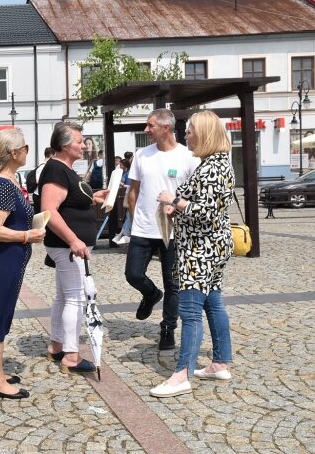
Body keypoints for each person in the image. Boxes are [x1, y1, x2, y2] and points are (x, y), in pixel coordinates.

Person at [150, 111, 235, 398]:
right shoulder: (215, 163)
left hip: (201, 248)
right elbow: (204, 205)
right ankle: (220, 362)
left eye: (190, 131)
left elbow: (206, 212)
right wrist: (179, 205)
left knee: (189, 311)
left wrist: (172, 200)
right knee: (213, 303)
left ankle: (181, 374)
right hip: (210, 245)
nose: (186, 135)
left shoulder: (213, 167)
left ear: (205, 133)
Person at [125, 109, 199, 350]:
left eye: (150, 125)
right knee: (133, 274)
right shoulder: (142, 155)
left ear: (165, 128)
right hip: (143, 228)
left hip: (174, 231)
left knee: (173, 283)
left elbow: (194, 196)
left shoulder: (188, 157)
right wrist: (135, 219)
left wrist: (178, 209)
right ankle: (150, 294)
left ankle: (168, 328)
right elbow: (133, 190)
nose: (146, 130)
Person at [0, 128, 45, 399]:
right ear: (15, 153)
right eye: (25, 147)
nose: (28, 151)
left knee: (1, 314)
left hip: (10, 260)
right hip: (2, 261)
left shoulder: (8, 181)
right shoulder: (3, 184)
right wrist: (27, 235)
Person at [39, 123, 107, 375]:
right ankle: (71, 354)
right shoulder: (56, 169)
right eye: (79, 141)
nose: (83, 145)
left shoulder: (64, 169)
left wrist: (95, 197)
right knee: (75, 297)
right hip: (67, 247)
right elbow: (49, 210)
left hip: (68, 246)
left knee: (63, 295)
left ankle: (57, 345)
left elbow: (70, 201)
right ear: (65, 144)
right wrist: (73, 240)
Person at [25, 147, 54, 213]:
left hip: (39, 195)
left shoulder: (43, 165)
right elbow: (38, 180)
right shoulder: (43, 166)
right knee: (40, 215)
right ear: (51, 155)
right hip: (39, 195)